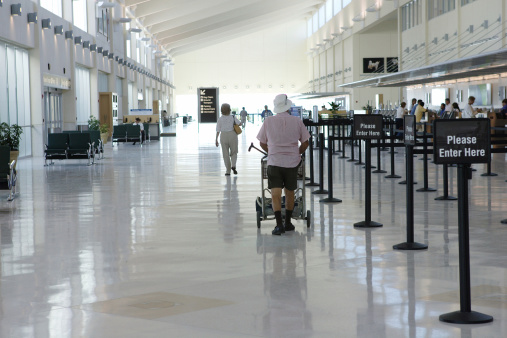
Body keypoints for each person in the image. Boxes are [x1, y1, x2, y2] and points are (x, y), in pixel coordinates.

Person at [257, 94, 310, 236]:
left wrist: (272, 152)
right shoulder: (297, 121)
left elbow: (261, 142)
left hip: (274, 162)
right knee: (290, 191)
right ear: (288, 107)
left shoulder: (268, 121)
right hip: (292, 163)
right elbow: (305, 143)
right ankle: (288, 223)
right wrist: (296, 153)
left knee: (275, 193)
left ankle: (279, 225)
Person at [216, 103, 241, 176]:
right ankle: (233, 165)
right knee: (234, 152)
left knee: (225, 154)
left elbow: (218, 130)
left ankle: (228, 171)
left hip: (223, 135)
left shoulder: (220, 119)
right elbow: (240, 124)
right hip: (232, 135)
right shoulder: (233, 117)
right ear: (229, 110)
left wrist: (216, 139)